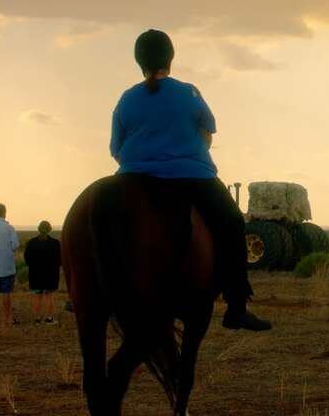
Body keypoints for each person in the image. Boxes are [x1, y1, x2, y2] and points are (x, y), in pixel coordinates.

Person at [110, 29, 270, 331]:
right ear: (170, 59)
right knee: (233, 224)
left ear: (138, 61)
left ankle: (99, 292)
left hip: (133, 176)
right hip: (191, 176)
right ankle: (236, 306)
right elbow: (208, 130)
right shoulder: (188, 93)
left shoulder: (126, 99)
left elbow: (116, 149)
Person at [23, 220, 61, 325]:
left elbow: (27, 257)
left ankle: (37, 319)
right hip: (51, 274)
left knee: (37, 295)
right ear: (50, 229)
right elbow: (60, 259)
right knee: (49, 294)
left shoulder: (32, 242)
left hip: (35, 273)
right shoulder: (55, 243)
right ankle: (49, 318)